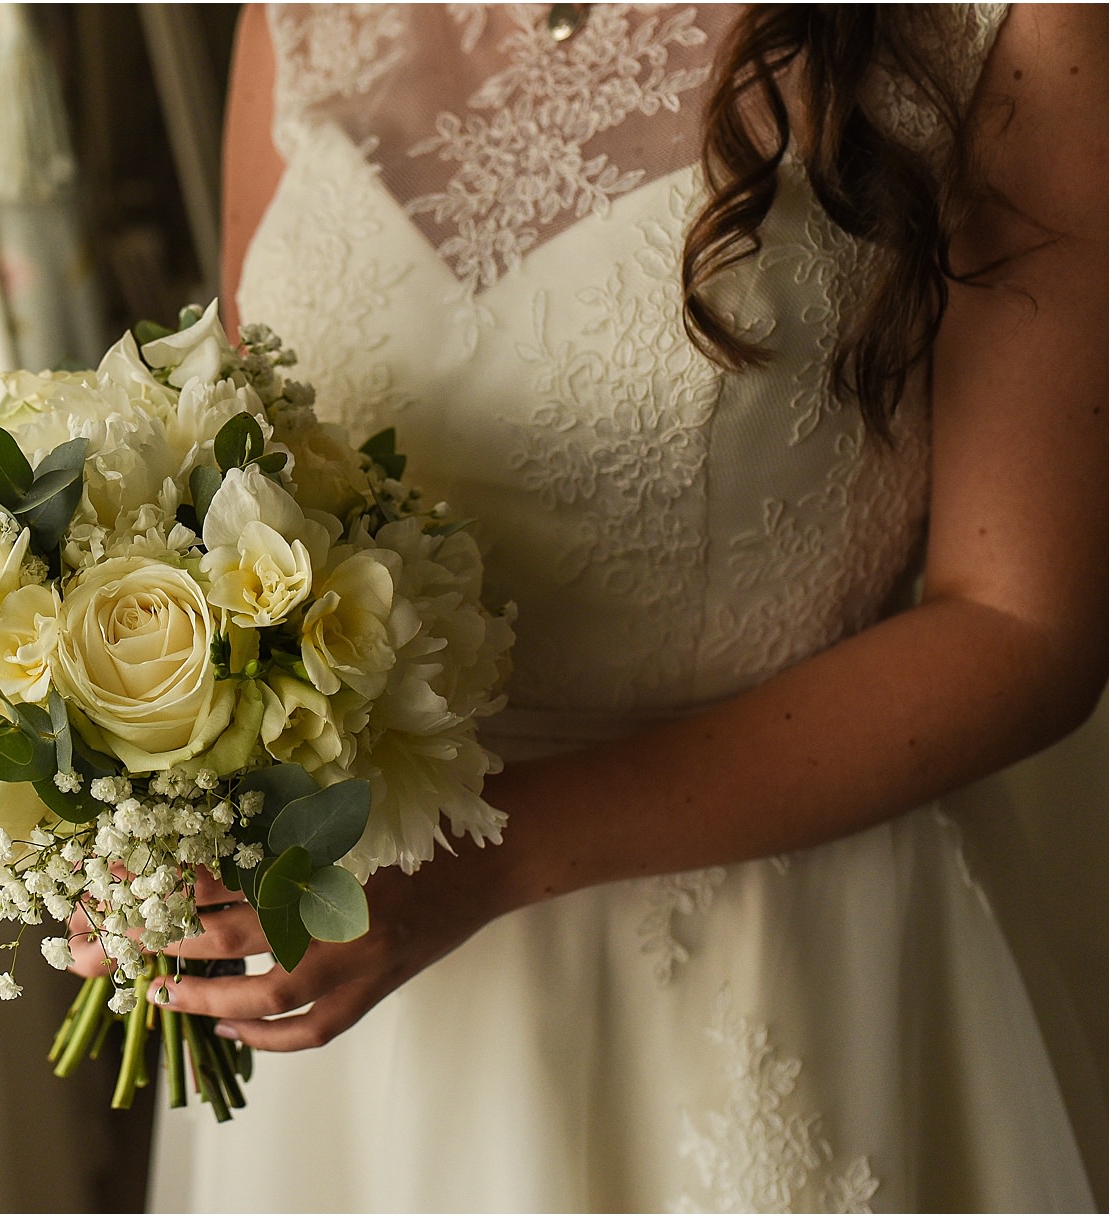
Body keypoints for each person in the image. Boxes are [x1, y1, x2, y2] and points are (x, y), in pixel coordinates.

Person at [74, 4, 1106, 1210]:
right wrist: (147, 768)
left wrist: (482, 859)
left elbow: (1022, 625)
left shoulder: (1008, 25)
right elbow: (249, 487)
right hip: (364, 987)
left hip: (771, 959)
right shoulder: (297, 21)